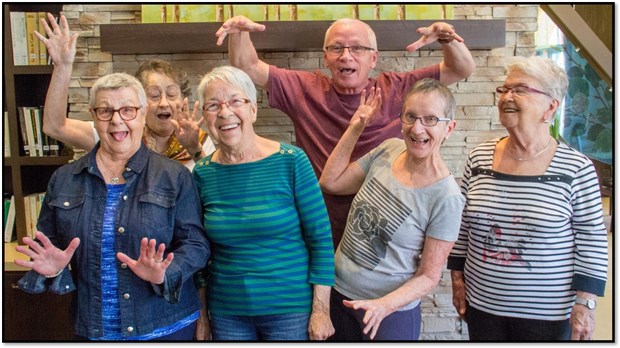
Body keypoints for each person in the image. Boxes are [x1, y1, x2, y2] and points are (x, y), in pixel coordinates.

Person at [215, 16, 475, 248]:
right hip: (318, 229)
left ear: (374, 58)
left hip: (383, 233)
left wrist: (447, 38)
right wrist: (239, 33)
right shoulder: (305, 89)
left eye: (358, 48)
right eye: (336, 48)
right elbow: (248, 68)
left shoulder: (398, 88)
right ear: (326, 56)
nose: (346, 56)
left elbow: (460, 68)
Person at [14, 72, 211, 340]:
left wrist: (166, 272)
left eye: (127, 110)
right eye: (106, 111)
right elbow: (49, 243)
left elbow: (196, 245)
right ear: (94, 116)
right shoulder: (65, 178)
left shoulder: (175, 176)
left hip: (165, 326)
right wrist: (56, 268)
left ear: (142, 114)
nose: (117, 120)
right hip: (93, 329)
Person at [447, 56, 608, 341]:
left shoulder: (576, 168)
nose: (507, 97)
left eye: (520, 89)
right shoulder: (480, 157)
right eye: (504, 89)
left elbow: (592, 239)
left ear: (550, 107)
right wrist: (457, 279)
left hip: (547, 313)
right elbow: (461, 226)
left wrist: (585, 303)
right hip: (483, 306)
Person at [192, 66, 335, 341]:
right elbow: (200, 252)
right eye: (213, 105)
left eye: (235, 101)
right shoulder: (203, 173)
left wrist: (321, 310)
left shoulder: (291, 161)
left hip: (290, 308)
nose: (225, 113)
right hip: (227, 311)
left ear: (253, 110)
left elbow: (320, 240)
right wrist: (203, 314)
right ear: (205, 117)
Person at [319, 79, 464, 340]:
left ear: (449, 128)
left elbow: (429, 276)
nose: (417, 128)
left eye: (430, 119)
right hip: (339, 295)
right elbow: (331, 182)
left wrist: (384, 306)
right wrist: (356, 127)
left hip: (389, 314)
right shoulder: (389, 149)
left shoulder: (447, 197)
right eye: (411, 116)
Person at [36, 13, 214, 171]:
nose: (164, 103)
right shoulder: (118, 133)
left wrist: (195, 150)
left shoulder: (200, 141)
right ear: (140, 104)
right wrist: (63, 66)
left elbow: (211, 192)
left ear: (183, 100)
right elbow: (55, 126)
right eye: (154, 95)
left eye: (171, 94)